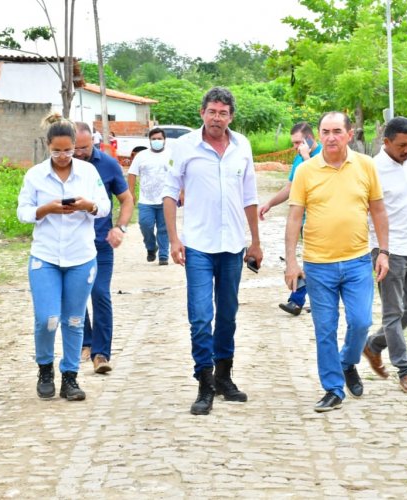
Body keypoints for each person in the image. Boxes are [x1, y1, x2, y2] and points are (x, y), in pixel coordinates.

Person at [162, 87, 263, 416]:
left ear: (231, 116)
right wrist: (174, 239)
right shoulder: (185, 146)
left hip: (233, 244)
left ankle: (224, 377)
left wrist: (256, 241)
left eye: (223, 112)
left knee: (228, 316)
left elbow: (250, 196)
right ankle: (204, 382)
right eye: (212, 111)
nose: (217, 117)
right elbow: (168, 194)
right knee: (201, 316)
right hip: (199, 246)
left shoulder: (242, 146)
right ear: (202, 113)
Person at [284, 111, 389, 412]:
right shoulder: (306, 171)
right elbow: (293, 219)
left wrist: (384, 251)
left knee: (360, 321)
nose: (331, 137)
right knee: (325, 329)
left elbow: (379, 212)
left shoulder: (365, 166)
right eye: (325, 132)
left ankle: (347, 362)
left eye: (336, 131)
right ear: (318, 135)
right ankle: (333, 388)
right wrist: (292, 262)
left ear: (349, 133)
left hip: (357, 262)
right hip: (318, 265)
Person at [17, 113, 111, 401]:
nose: (62, 156)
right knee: (47, 318)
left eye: (68, 150)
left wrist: (88, 205)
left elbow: (105, 207)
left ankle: (70, 376)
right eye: (56, 151)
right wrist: (46, 209)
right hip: (45, 256)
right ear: (48, 146)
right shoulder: (35, 175)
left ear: (75, 146)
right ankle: (45, 368)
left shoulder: (88, 173)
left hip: (80, 256)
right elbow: (23, 213)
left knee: (73, 319)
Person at [365, 117, 407, 395]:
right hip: (388, 250)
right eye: (402, 145)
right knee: (393, 312)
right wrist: (379, 250)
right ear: (386, 142)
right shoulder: (371, 169)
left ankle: (374, 344)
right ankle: (406, 371)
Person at [73, 122, 134, 374]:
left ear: (93, 142)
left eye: (83, 148)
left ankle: (101, 353)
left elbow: (127, 199)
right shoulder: (62, 166)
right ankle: (85, 342)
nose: (78, 153)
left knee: (100, 293)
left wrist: (120, 227)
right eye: (74, 148)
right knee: (76, 296)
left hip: (101, 244)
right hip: (73, 244)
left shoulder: (108, 165)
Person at [258, 121, 322, 316]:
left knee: (316, 263)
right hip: (304, 221)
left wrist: (306, 157)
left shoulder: (321, 156)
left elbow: (316, 183)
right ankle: (300, 299)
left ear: (311, 138)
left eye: (298, 142)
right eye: (293, 143)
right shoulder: (298, 158)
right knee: (310, 261)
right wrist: (270, 204)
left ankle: (299, 300)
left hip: (321, 220)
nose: (295, 147)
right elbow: (290, 187)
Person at [128, 128, 172, 265]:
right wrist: (131, 194)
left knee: (164, 228)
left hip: (166, 199)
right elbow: (132, 174)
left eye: (159, 139)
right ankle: (151, 247)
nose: (157, 141)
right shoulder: (141, 156)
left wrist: (181, 192)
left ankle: (163, 256)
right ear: (149, 141)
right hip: (146, 200)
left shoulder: (171, 155)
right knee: (145, 225)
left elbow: (178, 174)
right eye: (154, 139)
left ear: (165, 140)